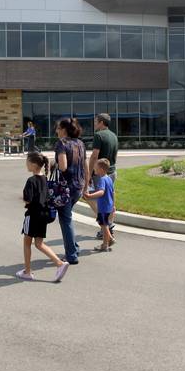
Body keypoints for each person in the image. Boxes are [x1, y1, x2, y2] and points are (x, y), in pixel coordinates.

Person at [16, 152, 70, 282]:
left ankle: (28, 271)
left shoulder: (31, 181)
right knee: (39, 243)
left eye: (27, 162)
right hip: (43, 215)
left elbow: (28, 200)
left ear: (34, 164)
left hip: (32, 215)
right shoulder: (45, 179)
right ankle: (59, 263)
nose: (26, 164)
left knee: (27, 243)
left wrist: (22, 198)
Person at [53, 117, 86, 265]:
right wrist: (86, 183)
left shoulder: (62, 143)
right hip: (78, 186)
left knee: (65, 220)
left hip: (65, 188)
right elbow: (85, 164)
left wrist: (54, 163)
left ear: (64, 130)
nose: (56, 131)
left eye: (58, 128)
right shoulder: (80, 143)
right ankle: (74, 247)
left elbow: (63, 166)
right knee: (68, 217)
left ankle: (71, 255)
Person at [86, 113, 118, 241]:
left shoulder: (98, 135)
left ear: (101, 122)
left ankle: (105, 225)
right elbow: (115, 154)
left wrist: (89, 173)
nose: (94, 124)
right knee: (109, 200)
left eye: (96, 121)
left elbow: (94, 155)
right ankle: (108, 225)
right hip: (112, 171)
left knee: (89, 197)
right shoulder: (114, 136)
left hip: (100, 174)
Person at [83, 158, 115, 252]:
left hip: (103, 207)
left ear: (101, 169)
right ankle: (105, 244)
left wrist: (89, 196)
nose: (94, 170)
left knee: (103, 225)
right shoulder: (109, 178)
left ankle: (109, 240)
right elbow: (113, 192)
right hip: (108, 206)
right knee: (104, 224)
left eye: (95, 168)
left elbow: (101, 192)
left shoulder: (102, 180)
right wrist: (113, 204)